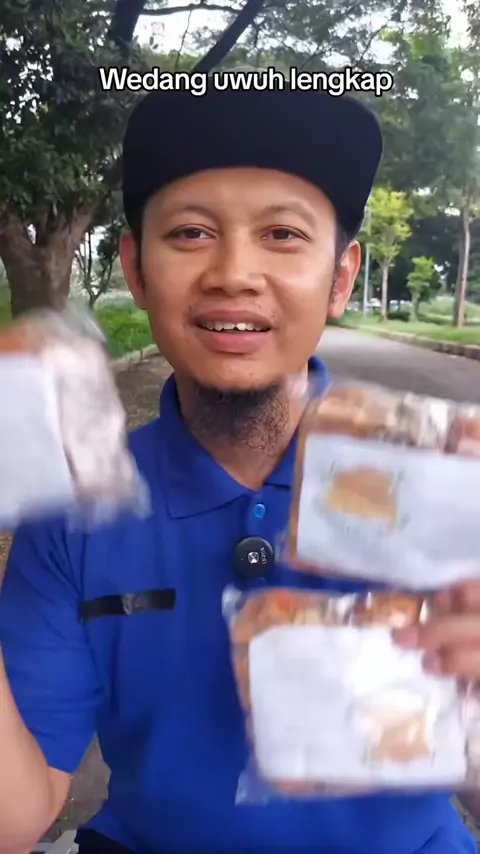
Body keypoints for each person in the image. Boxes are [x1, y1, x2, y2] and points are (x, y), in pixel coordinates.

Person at [0, 81, 479, 854]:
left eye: (283, 234)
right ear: (136, 270)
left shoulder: (449, 483)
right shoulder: (73, 515)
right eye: (190, 232)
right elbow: (15, 817)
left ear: (341, 277)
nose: (234, 272)